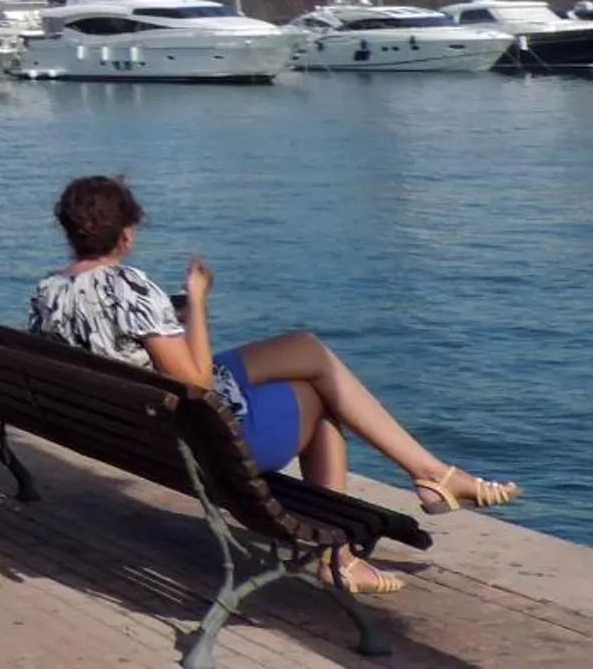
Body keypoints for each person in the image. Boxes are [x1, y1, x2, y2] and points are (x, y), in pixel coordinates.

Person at [27, 174, 519, 595]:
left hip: (133, 428)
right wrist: (197, 303)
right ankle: (348, 550)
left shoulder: (48, 290)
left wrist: (169, 320)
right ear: (127, 234)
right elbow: (196, 381)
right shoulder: (131, 286)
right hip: (198, 435)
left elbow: (105, 346)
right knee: (322, 397)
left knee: (305, 347)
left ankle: (431, 476)